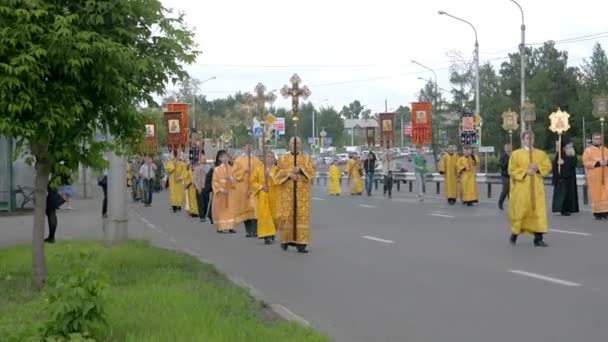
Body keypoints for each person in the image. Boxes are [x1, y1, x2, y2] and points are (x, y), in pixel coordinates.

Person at [508, 131, 552, 247]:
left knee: (538, 212)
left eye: (531, 138)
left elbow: (547, 167)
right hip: (522, 188)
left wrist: (537, 168)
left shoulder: (541, 154)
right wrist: (525, 172)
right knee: (521, 211)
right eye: (527, 138)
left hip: (537, 188)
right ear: (523, 140)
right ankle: (515, 233)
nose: (529, 140)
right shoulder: (516, 154)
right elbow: (511, 170)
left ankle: (538, 238)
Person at [276, 136, 316, 253]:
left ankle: (301, 244)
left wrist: (301, 170)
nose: (295, 145)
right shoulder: (282, 158)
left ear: (301, 144)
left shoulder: (307, 158)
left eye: (298, 143)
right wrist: (289, 174)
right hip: (287, 193)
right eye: (293, 143)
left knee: (301, 217)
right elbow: (277, 173)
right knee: (287, 216)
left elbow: (312, 170)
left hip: (302, 194)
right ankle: (286, 240)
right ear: (289, 145)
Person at [232, 143, 263, 237]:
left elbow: (260, 173)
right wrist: (244, 171)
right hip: (242, 188)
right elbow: (234, 174)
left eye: (250, 146)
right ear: (243, 148)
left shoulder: (256, 160)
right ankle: (248, 231)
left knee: (254, 209)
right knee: (245, 210)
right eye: (247, 146)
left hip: (253, 188)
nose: (249, 148)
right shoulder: (238, 160)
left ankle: (255, 230)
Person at [252, 152, 279, 244]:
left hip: (274, 194)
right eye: (268, 156)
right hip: (264, 193)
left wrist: (270, 176)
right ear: (264, 158)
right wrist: (261, 187)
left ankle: (272, 233)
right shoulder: (259, 169)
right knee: (265, 214)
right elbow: (253, 182)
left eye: (272, 157)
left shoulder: (277, 170)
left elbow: (280, 181)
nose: (270, 158)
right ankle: (267, 236)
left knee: (274, 216)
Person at [582, 133, 608, 220]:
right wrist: (598, 163)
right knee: (596, 194)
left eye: (599, 138)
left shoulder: (606, 150)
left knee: (605, 194)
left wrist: (606, 162)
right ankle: (597, 212)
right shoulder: (588, 151)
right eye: (596, 139)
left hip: (605, 175)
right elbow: (586, 162)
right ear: (592, 140)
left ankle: (605, 211)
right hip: (594, 176)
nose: (598, 140)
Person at [552, 138, 579, 216]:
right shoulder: (559, 154)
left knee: (569, 194)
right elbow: (555, 166)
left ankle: (570, 208)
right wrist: (558, 163)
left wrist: (564, 162)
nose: (570, 148)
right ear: (564, 147)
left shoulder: (572, 153)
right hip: (562, 178)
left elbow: (574, 163)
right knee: (562, 195)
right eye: (568, 146)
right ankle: (562, 209)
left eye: (571, 146)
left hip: (570, 178)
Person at [212, 150, 236, 233]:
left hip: (229, 193)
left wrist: (231, 179)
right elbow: (214, 182)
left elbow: (235, 182)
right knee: (221, 210)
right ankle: (220, 227)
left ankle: (230, 226)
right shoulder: (217, 170)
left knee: (230, 210)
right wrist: (221, 189)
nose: (225, 159)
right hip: (221, 194)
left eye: (226, 157)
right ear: (220, 159)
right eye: (223, 157)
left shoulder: (232, 169)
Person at [45, 172, 66, 243]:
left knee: (51, 214)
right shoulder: (56, 173)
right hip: (53, 193)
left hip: (51, 194)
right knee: (52, 214)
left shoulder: (51, 173)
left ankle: (51, 237)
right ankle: (51, 236)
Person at [194, 154, 209, 222]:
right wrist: (197, 187)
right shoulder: (197, 168)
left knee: (206, 202)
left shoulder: (208, 167)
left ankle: (204, 214)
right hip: (199, 188)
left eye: (205, 159)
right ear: (200, 160)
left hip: (206, 188)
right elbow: (195, 179)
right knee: (200, 203)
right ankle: (202, 216)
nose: (204, 160)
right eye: (203, 159)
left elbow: (209, 176)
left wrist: (203, 169)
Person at [498, 144, 512, 210]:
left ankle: (512, 204)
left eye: (510, 148)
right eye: (507, 148)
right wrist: (508, 160)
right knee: (505, 190)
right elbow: (502, 166)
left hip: (512, 175)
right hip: (505, 176)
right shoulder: (502, 157)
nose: (509, 150)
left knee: (512, 191)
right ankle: (500, 203)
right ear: (505, 149)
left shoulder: (514, 155)